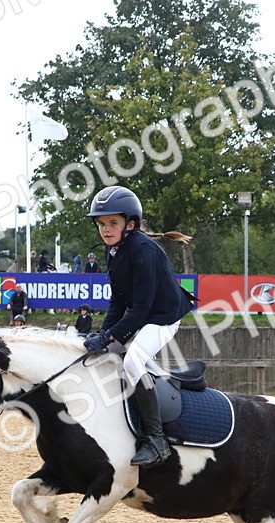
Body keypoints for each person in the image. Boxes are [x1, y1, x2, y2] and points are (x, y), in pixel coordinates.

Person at [84, 185, 195, 468]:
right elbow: (118, 303)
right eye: (101, 224)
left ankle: (157, 440)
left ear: (130, 224)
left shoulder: (144, 250)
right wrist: (101, 335)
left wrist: (110, 336)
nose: (105, 230)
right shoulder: (114, 252)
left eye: (112, 223)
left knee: (133, 361)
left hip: (163, 317)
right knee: (105, 356)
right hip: (143, 315)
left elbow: (142, 308)